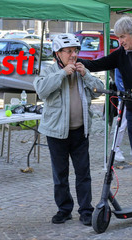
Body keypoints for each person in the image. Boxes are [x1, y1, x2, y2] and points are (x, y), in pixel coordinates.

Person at [78, 16, 132, 205]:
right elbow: (97, 63)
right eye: (118, 38)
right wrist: (74, 59)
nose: (120, 42)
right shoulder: (121, 54)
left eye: (123, 37)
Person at [33, 33, 104, 226]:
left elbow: (100, 89)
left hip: (80, 131)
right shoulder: (49, 71)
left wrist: (86, 75)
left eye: (76, 51)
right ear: (58, 53)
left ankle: (86, 210)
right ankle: (64, 210)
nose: (74, 55)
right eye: (69, 51)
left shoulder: (82, 71)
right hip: (56, 133)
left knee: (83, 173)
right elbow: (41, 90)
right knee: (60, 174)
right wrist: (63, 73)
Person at [113, 68, 127, 162]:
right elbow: (119, 81)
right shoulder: (120, 62)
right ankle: (115, 148)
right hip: (125, 99)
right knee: (121, 125)